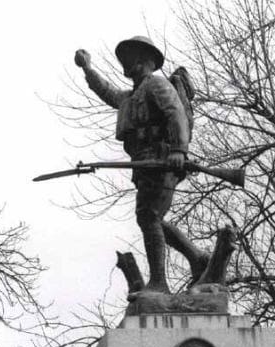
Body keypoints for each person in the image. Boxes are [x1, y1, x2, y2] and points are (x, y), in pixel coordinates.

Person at [74, 36, 209, 296]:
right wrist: (88, 68)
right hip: (144, 163)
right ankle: (197, 257)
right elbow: (108, 92)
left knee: (148, 216)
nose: (126, 62)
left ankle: (159, 282)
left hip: (162, 160)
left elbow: (176, 114)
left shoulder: (156, 85)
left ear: (145, 60)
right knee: (151, 216)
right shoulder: (133, 95)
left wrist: (180, 150)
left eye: (131, 57)